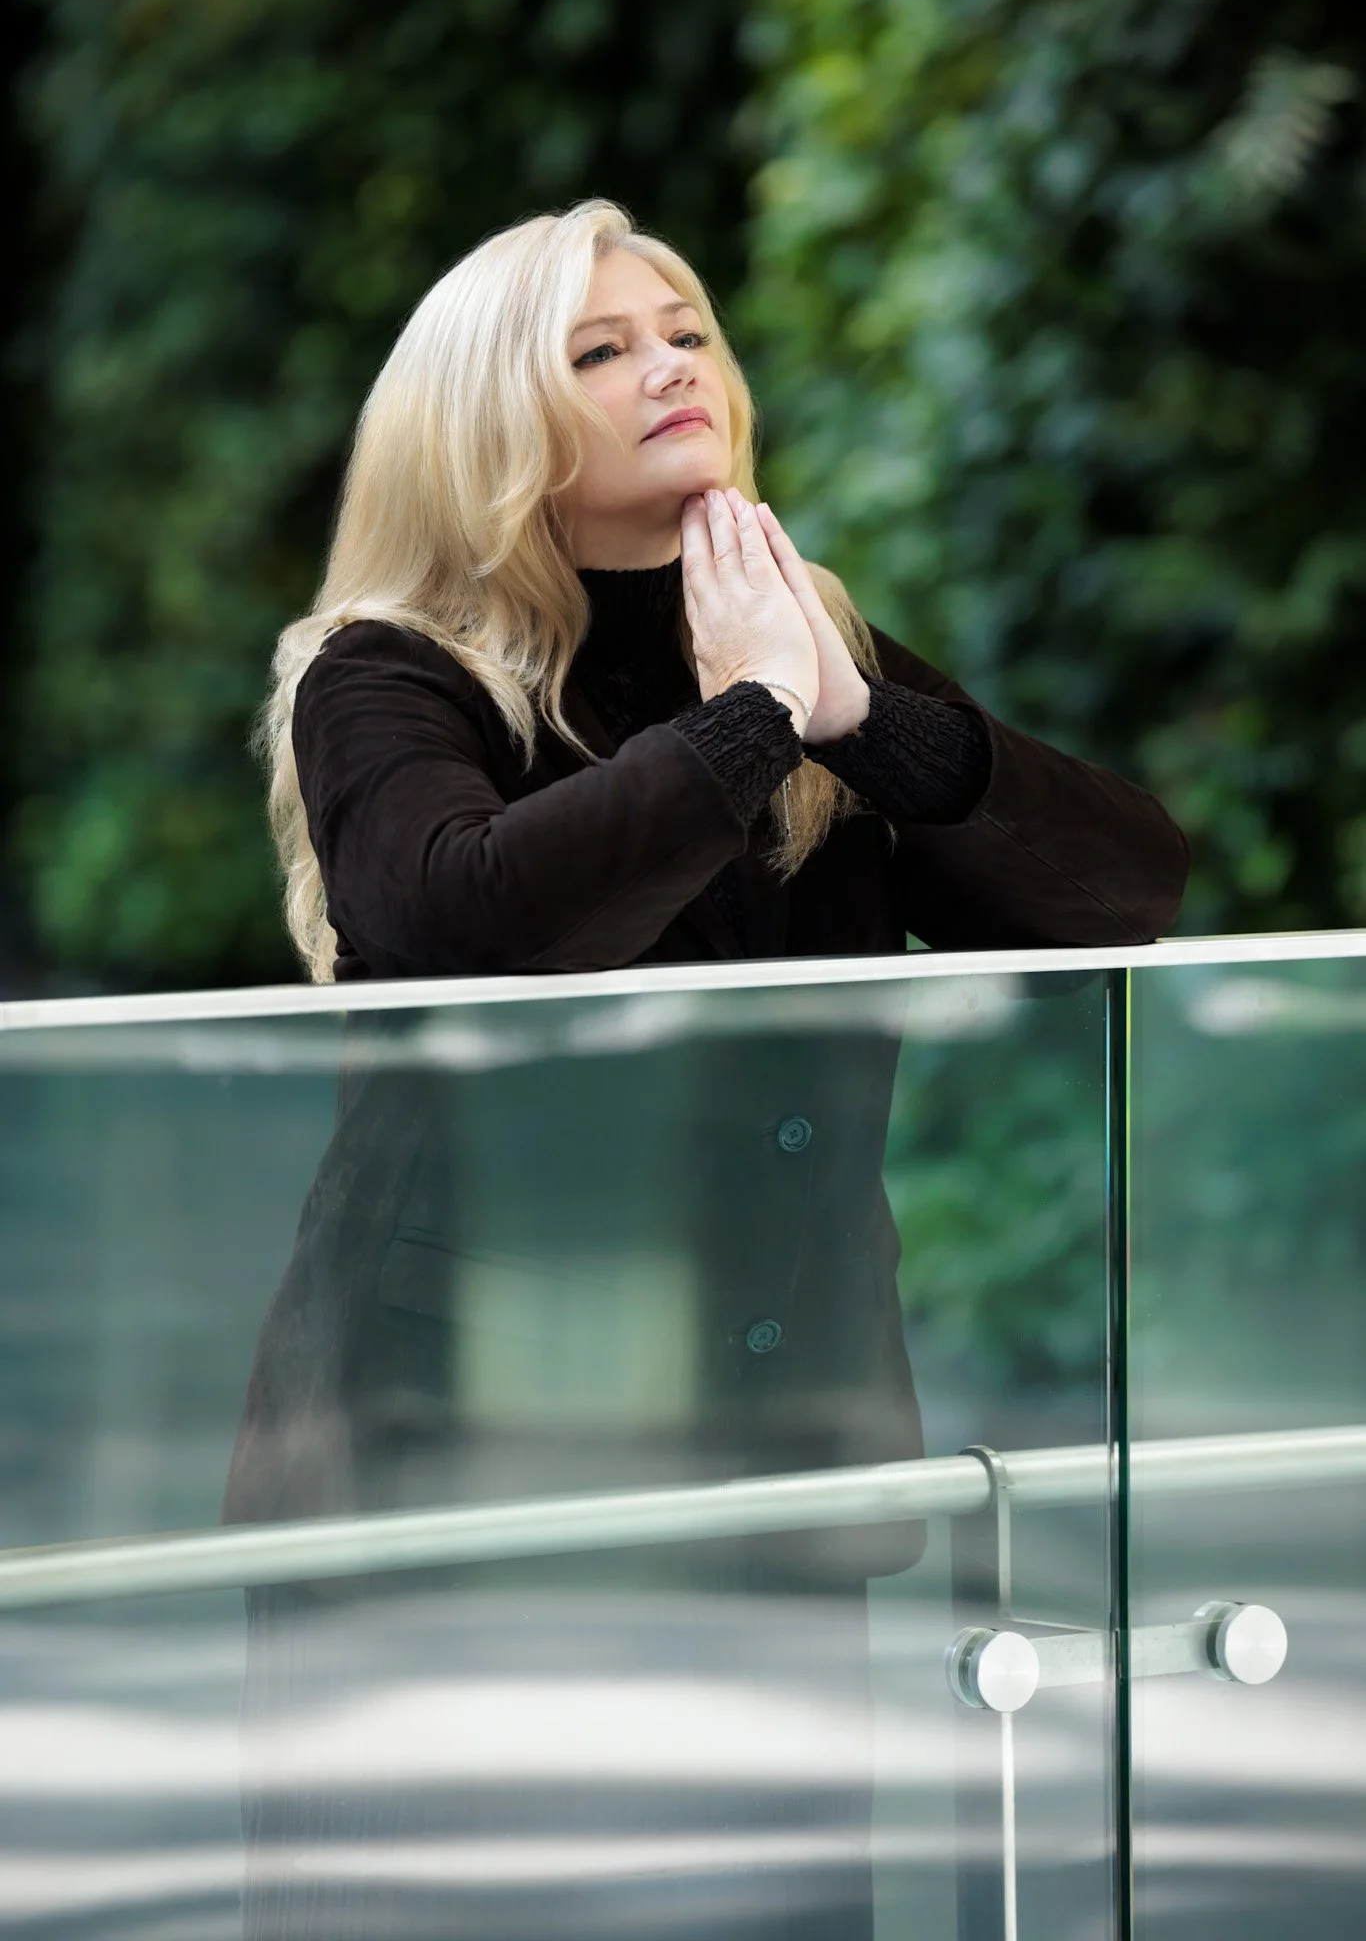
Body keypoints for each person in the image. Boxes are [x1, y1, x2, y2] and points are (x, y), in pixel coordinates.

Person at [224, 198, 1188, 1941]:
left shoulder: (792, 643)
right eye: (598, 351)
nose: (669, 364)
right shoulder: (385, 677)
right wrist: (745, 722)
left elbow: (1124, 891)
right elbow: (471, 930)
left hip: (777, 1457)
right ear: (488, 425)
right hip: (466, 1478)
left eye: (683, 331)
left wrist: (855, 718)